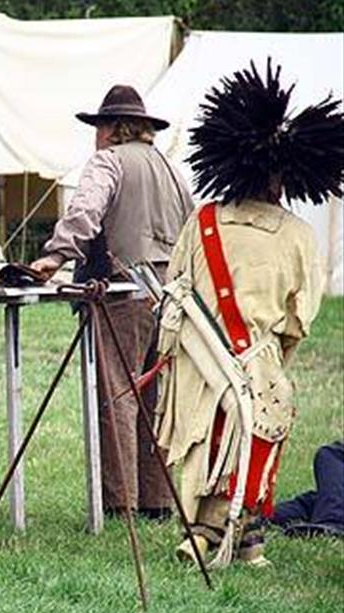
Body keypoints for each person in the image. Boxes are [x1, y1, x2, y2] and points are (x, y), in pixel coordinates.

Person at [156, 61, 339, 567]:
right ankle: (232, 534)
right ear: (284, 176)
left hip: (199, 364)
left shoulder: (203, 221)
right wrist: (271, 353)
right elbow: (301, 318)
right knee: (259, 429)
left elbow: (176, 287)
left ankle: (214, 532)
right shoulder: (300, 236)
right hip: (258, 360)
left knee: (203, 442)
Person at [29, 85, 194, 520]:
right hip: (172, 299)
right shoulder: (171, 170)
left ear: (110, 130)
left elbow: (86, 211)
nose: (96, 136)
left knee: (117, 394)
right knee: (156, 397)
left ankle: (121, 501)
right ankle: (157, 502)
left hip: (126, 293)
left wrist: (55, 254)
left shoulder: (108, 162)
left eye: (99, 127)